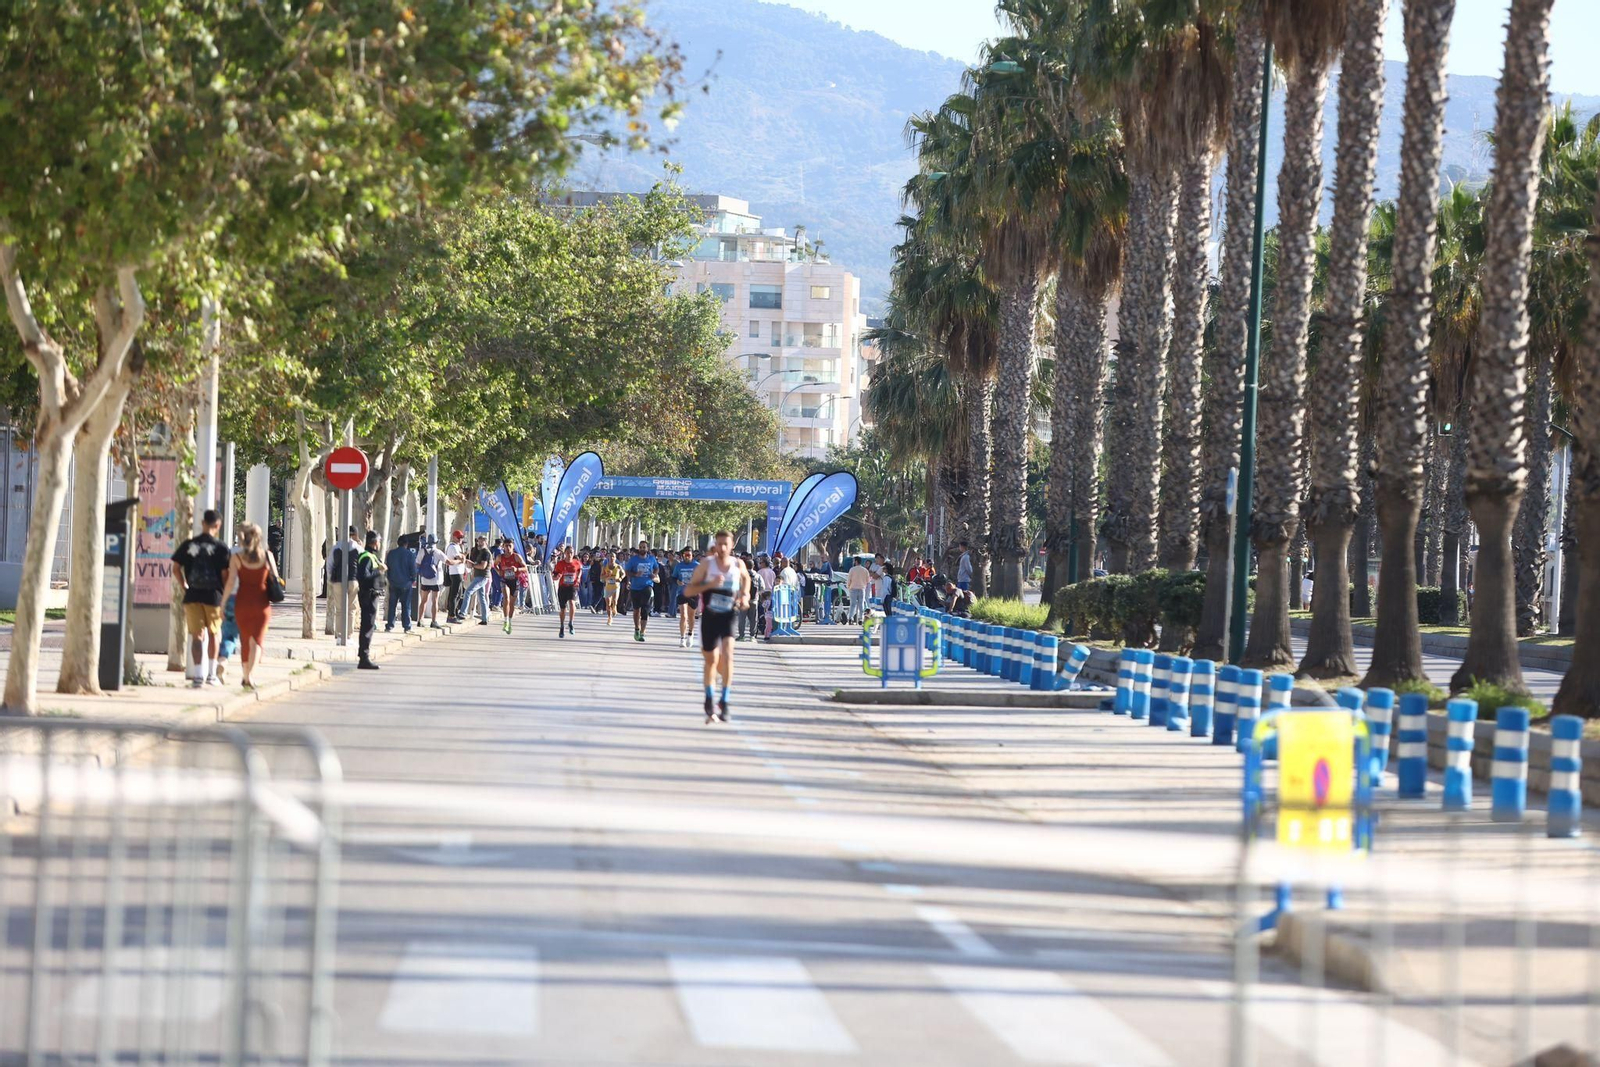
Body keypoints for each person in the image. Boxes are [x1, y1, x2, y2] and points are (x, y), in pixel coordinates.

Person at [683, 530, 752, 723]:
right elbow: (689, 590)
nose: (722, 548)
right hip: (710, 617)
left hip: (729, 615)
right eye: (719, 544)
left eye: (725, 544)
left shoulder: (738, 564)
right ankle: (709, 696)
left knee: (728, 655)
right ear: (715, 545)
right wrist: (709, 584)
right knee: (712, 660)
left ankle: (725, 700)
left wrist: (745, 596)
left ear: (731, 546)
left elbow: (745, 580)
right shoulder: (707, 565)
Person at [171, 508, 231, 688]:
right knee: (214, 634)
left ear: (203, 523)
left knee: (197, 636)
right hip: (214, 596)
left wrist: (184, 586)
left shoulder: (188, 545)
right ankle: (211, 675)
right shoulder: (221, 548)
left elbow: (175, 568)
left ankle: (198, 676)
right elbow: (225, 575)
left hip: (192, 595)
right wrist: (224, 596)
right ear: (218, 525)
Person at [224, 521, 280, 689]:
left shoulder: (237, 557)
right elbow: (275, 578)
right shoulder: (268, 555)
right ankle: (250, 675)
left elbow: (230, 582)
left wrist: (223, 602)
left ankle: (245, 672)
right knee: (257, 641)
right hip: (261, 604)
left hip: (242, 602)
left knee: (245, 639)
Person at [355, 530, 385, 669]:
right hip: (368, 595)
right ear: (374, 542)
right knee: (367, 626)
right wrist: (378, 571)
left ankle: (364, 656)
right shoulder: (367, 557)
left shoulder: (372, 556)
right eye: (378, 541)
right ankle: (364, 658)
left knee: (369, 626)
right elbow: (363, 577)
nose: (379, 544)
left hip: (372, 595)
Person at [384, 535, 418, 633]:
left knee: (392, 605)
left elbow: (388, 568)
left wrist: (389, 579)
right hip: (406, 584)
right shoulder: (410, 555)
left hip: (393, 583)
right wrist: (412, 580)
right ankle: (407, 626)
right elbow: (413, 569)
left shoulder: (391, 553)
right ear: (406, 544)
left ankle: (389, 625)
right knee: (406, 606)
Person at [625, 541, 658, 642]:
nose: (642, 549)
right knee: (636, 610)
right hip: (635, 587)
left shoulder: (652, 559)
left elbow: (656, 568)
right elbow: (627, 571)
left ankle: (642, 632)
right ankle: (637, 629)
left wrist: (654, 575)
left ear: (647, 548)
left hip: (647, 585)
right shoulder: (633, 560)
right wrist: (635, 574)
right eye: (640, 547)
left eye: (644, 547)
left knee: (645, 610)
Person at [493, 538, 528, 633]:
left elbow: (525, 568)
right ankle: (505, 621)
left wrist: (517, 569)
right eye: (506, 546)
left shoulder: (516, 557)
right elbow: (494, 565)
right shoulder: (500, 557)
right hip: (504, 580)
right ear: (503, 546)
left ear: (513, 547)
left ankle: (510, 621)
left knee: (512, 603)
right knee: (506, 599)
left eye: (510, 546)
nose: (508, 548)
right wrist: (498, 571)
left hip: (515, 581)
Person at [552, 544, 583, 638]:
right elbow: (554, 576)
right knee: (563, 608)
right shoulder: (560, 564)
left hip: (573, 586)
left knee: (572, 603)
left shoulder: (577, 562)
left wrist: (578, 577)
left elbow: (580, 570)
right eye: (568, 553)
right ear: (565, 553)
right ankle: (561, 626)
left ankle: (571, 622)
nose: (570, 554)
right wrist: (557, 577)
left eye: (571, 553)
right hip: (563, 587)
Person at [460, 534, 492, 625]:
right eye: (479, 540)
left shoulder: (485, 553)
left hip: (482, 576)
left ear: (486, 542)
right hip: (479, 576)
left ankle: (463, 613)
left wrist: (472, 565)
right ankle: (485, 618)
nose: (480, 542)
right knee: (481, 597)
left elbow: (483, 566)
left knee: (468, 592)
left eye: (482, 540)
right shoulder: (481, 552)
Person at [672, 547, 699, 649]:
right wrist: (677, 582)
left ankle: (690, 634)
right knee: (683, 615)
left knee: (691, 616)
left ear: (692, 556)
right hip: (682, 593)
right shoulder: (679, 566)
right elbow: (673, 578)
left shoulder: (697, 566)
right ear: (682, 556)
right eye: (685, 555)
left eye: (689, 555)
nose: (687, 557)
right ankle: (682, 638)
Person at [417, 535, 447, 628]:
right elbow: (448, 562)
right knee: (435, 601)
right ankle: (433, 621)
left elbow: (417, 564)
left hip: (424, 580)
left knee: (423, 601)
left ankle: (420, 620)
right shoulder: (438, 552)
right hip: (435, 580)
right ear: (436, 542)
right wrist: (459, 561)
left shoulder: (422, 551)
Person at [737, 552, 764, 641]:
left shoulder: (742, 575)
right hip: (754, 600)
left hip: (743, 599)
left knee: (742, 618)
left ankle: (741, 636)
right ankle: (752, 636)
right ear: (753, 566)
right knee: (753, 618)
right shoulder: (758, 576)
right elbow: (762, 587)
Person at [443, 530, 468, 622]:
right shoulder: (452, 547)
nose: (460, 540)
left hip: (459, 571)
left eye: (461, 538)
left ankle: (455, 612)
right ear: (454, 537)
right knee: (454, 594)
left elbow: (463, 558)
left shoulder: (458, 546)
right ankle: (451, 615)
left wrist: (463, 557)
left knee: (459, 594)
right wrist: (463, 557)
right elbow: (460, 558)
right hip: (455, 572)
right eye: (459, 538)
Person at [600, 550, 623, 625]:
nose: (612, 558)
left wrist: (620, 578)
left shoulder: (618, 566)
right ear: (608, 558)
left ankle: (615, 607)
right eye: (610, 556)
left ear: (615, 558)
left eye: (613, 556)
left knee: (615, 601)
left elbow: (624, 573)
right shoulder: (605, 567)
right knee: (608, 603)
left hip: (616, 586)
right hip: (608, 587)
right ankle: (610, 618)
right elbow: (601, 577)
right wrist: (606, 575)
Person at [845, 558, 871, 624]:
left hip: (853, 588)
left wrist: (848, 586)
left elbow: (849, 579)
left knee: (852, 604)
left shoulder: (852, 569)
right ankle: (861, 619)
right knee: (861, 604)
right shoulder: (865, 570)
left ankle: (850, 618)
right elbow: (868, 581)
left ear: (856, 561)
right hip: (862, 589)